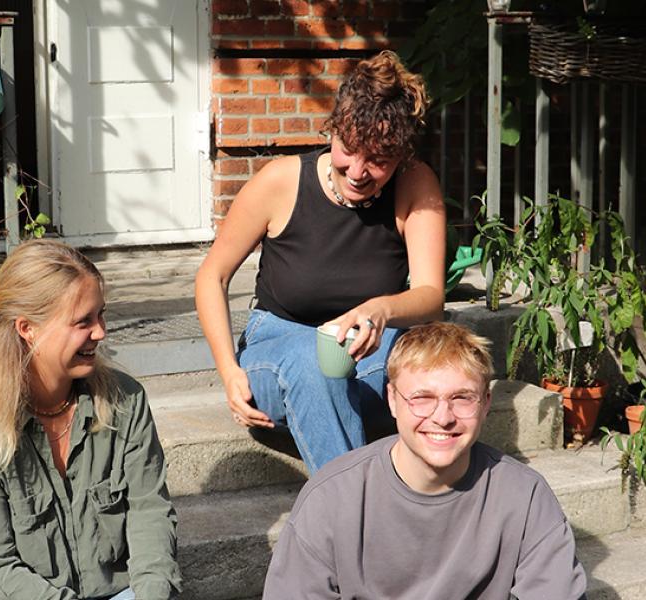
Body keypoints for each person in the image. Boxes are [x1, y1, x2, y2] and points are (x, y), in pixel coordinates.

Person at [194, 50, 446, 470]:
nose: (359, 172)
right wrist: (228, 371)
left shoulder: (414, 183)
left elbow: (431, 296)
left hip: (372, 355)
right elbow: (212, 276)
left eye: (379, 160)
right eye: (350, 149)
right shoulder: (280, 181)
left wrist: (380, 310)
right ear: (333, 129)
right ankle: (351, 499)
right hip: (278, 347)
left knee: (430, 364)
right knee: (315, 366)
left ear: (401, 157)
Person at [263, 322, 588, 599]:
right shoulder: (331, 498)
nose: (442, 417)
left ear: (486, 403)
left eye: (462, 398)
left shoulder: (524, 497)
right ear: (392, 400)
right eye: (422, 398)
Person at [0, 240, 181, 600]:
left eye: (101, 315)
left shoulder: (125, 402)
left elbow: (151, 514)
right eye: (83, 321)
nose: (100, 332)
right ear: (27, 328)